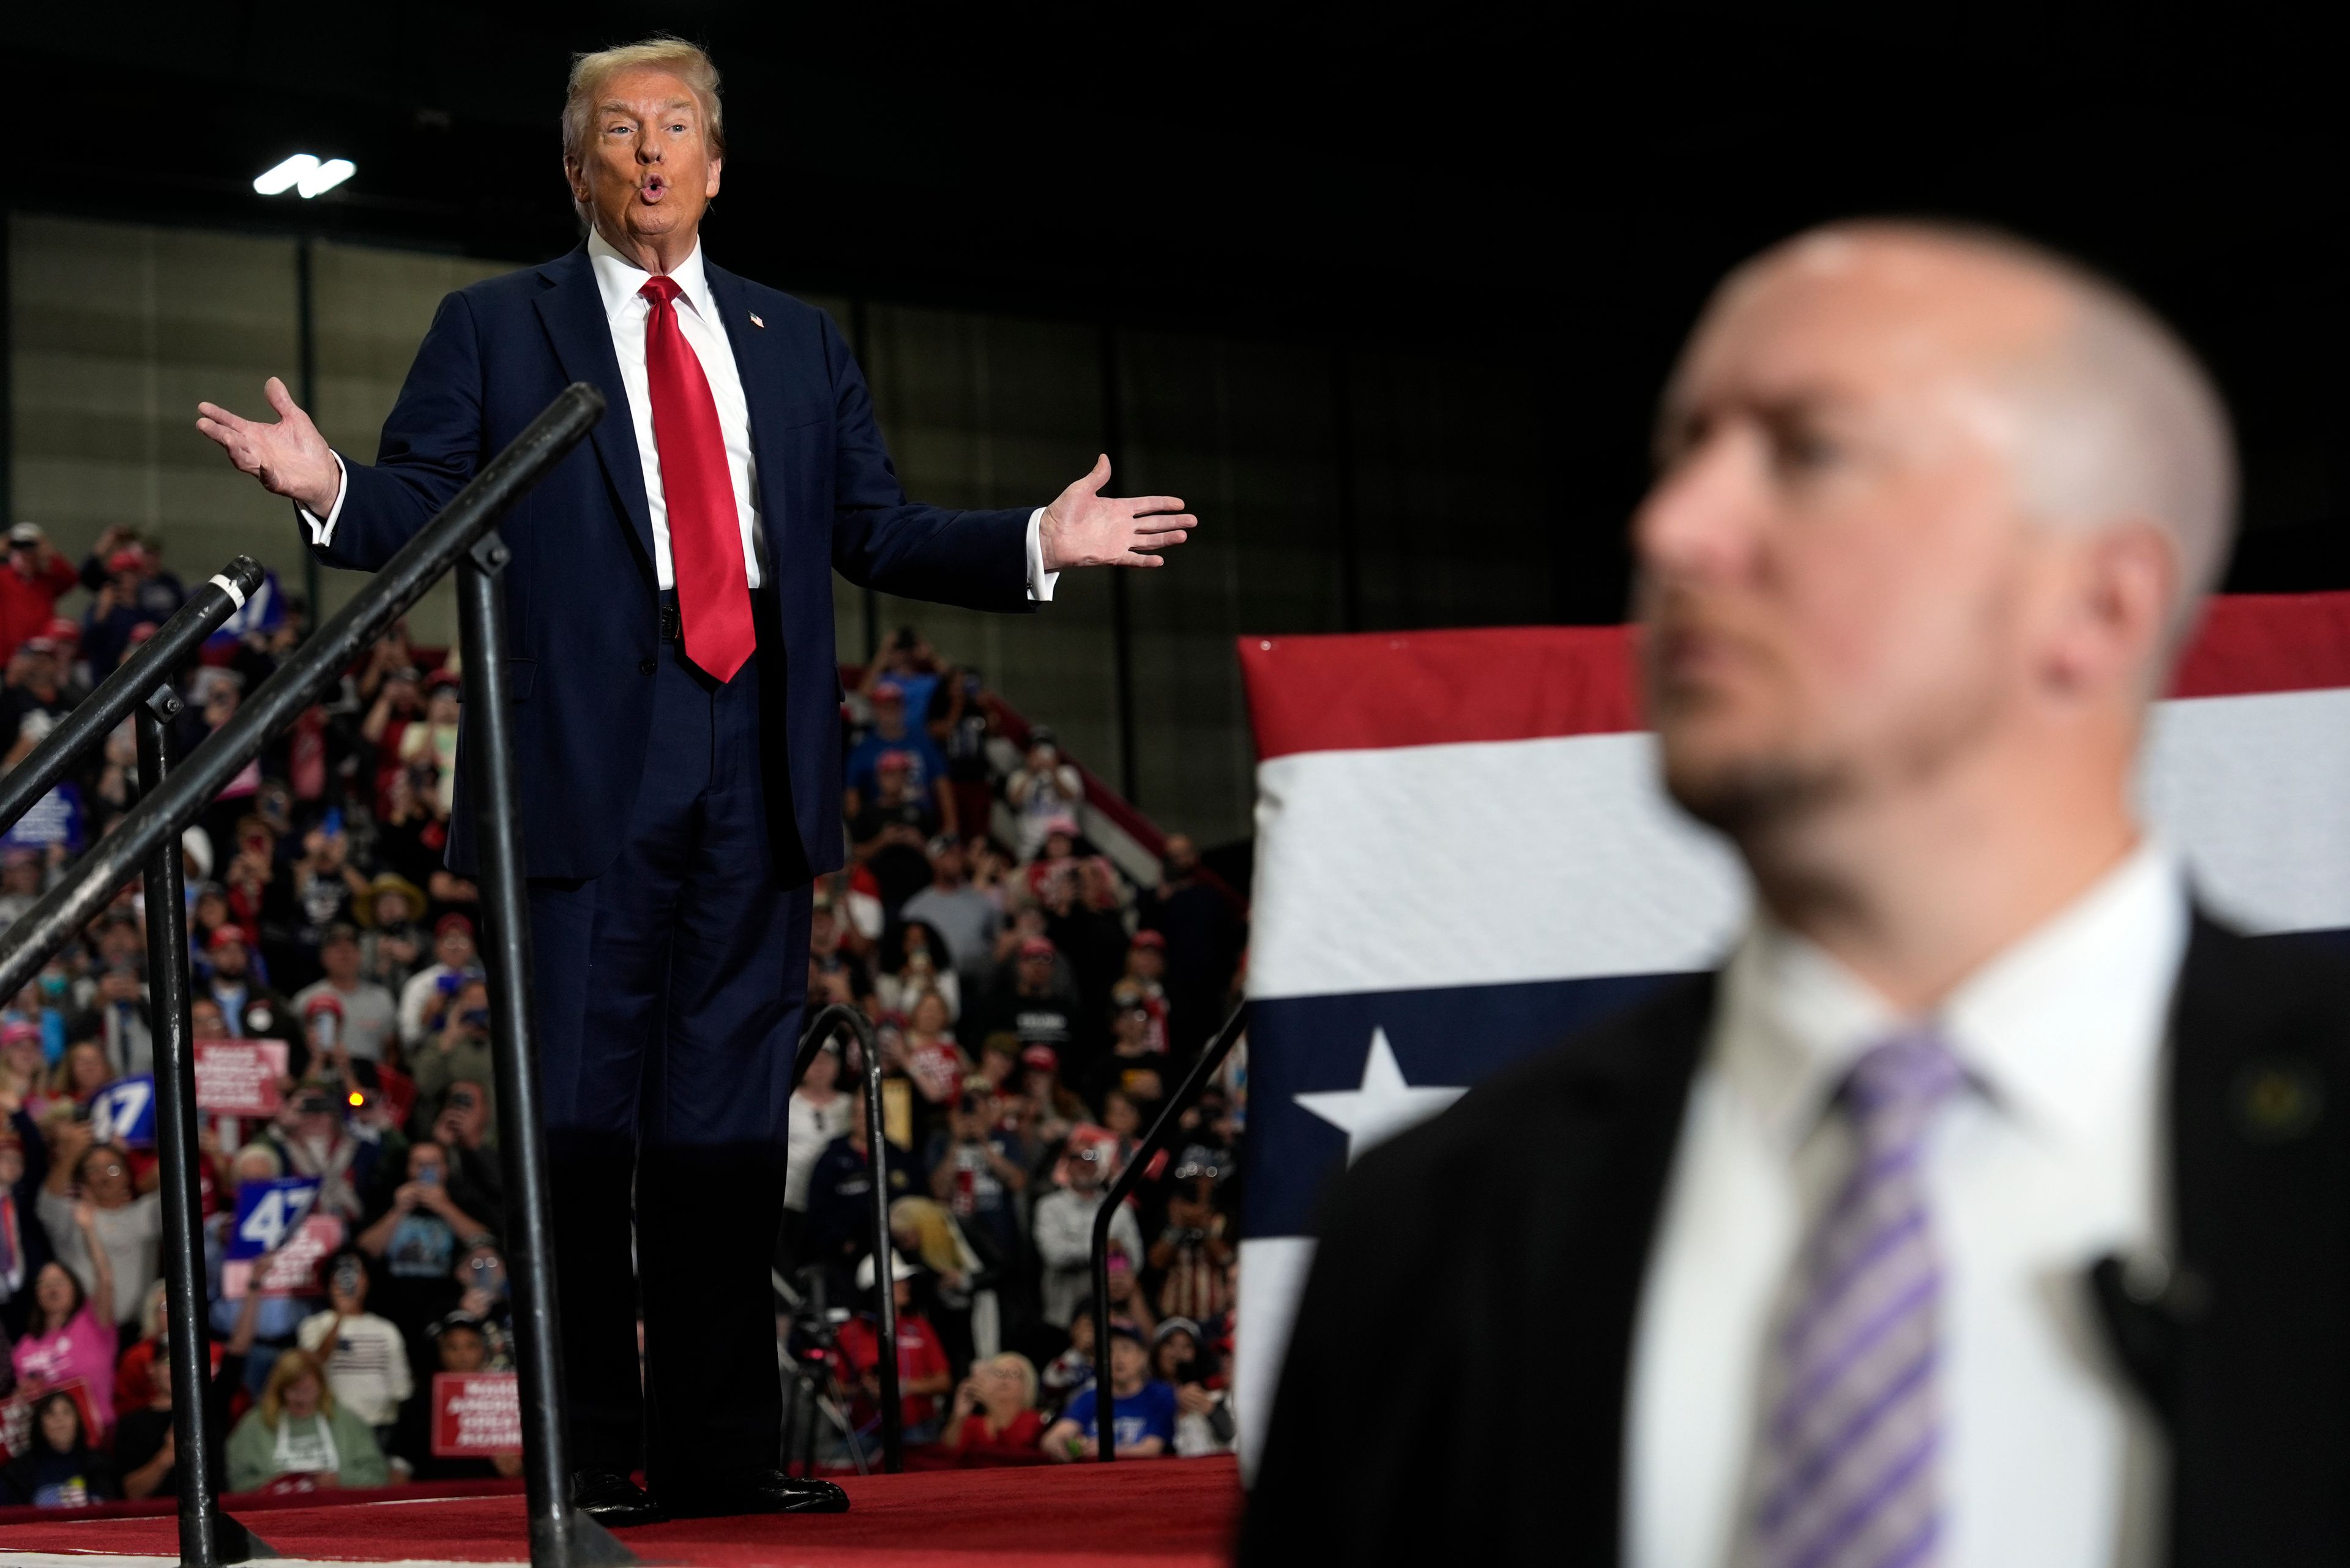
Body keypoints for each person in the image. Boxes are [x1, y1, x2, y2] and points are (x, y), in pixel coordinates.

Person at [196, 32, 1193, 1528]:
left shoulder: (796, 340)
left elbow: (877, 528)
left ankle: (720, 1462)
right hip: (584, 766)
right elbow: (422, 502)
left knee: (725, 1134)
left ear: (716, 165)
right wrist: (326, 487)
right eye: (617, 130)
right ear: (573, 165)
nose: (647, 151)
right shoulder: (497, 325)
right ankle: (591, 1463)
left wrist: (1037, 544)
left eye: (673, 127)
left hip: (759, 760)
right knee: (586, 1137)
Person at [1240, 223, 2318, 1567]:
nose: (1673, 527)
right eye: (1679, 455)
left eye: (1809, 452)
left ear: (2099, 602)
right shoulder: (1434, 1228)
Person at [296, 1250, 414, 1453]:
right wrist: (341, 1316)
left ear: (367, 1281)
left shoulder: (387, 1330)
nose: (348, 1280)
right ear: (330, 1281)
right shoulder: (313, 1325)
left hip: (379, 1426)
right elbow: (312, 1367)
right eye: (342, 1273)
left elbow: (401, 1388)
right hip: (332, 1424)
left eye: (355, 1273)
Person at [832, 1250, 952, 1449]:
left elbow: (945, 1382)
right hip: (867, 1430)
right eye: (897, 1281)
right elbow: (833, 1387)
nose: (906, 1285)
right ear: (876, 1288)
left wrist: (903, 1387)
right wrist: (863, 1389)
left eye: (905, 1280)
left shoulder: (920, 1326)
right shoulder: (850, 1332)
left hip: (919, 1427)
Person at [225, 1346, 390, 1492]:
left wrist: (341, 1480)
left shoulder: (347, 1421)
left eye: (308, 1390)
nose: (302, 1400)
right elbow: (237, 1480)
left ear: (321, 1386)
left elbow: (377, 1474)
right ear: (280, 1389)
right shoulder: (256, 1424)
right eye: (295, 1390)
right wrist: (277, 1485)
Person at [1031, 1143, 1141, 1338]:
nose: (1084, 1164)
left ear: (1101, 1166)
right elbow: (1055, 1256)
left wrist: (1078, 1248)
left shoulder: (1120, 1209)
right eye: (1076, 1158)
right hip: (1062, 1316)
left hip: (1111, 1313)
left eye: (1091, 1158)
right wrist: (1102, 1249)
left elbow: (1136, 1261)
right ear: (1066, 1166)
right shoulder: (1050, 1206)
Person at [1040, 1323, 1173, 1462]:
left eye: (1126, 1349)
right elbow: (1054, 1437)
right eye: (1109, 1349)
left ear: (1143, 1356)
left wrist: (1106, 1450)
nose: (1117, 1357)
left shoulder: (1160, 1395)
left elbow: (1151, 1449)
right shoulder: (1090, 1397)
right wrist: (1062, 1446)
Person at [898, 837, 1002, 991]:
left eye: (958, 854)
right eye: (948, 855)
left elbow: (998, 942)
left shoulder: (982, 903)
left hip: (978, 987)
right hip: (933, 987)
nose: (956, 860)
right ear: (934, 861)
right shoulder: (916, 908)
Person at [291, 925, 398, 1069]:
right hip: (322, 1081)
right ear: (323, 956)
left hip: (370, 1082)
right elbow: (294, 1052)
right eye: (337, 948)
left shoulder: (382, 998)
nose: (345, 954)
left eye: (351, 947)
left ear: (361, 954)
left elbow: (392, 1052)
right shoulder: (305, 1000)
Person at [0, 1389, 119, 1507]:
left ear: (78, 1420)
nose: (59, 1419)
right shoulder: (20, 1470)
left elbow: (114, 1508)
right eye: (51, 1413)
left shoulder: (101, 1463)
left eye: (66, 1412)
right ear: (39, 1423)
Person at [1150, 1317, 1234, 1458]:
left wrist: (1210, 1410)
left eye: (1187, 1346)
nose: (1178, 1352)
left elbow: (1228, 1435)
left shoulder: (1210, 1396)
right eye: (1170, 1344)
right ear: (1157, 1351)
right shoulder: (1141, 1392)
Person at [941, 1351, 1044, 1462]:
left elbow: (1013, 1451)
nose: (1004, 1380)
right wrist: (959, 1414)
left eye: (1014, 1374)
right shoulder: (974, 1423)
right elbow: (948, 1453)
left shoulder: (1033, 1420)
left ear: (1027, 1385)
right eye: (999, 1373)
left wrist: (992, 1404)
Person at [0, 522, 79, 664]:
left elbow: (71, 579)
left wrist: (48, 550)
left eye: (30, 549)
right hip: (8, 659)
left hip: (41, 656)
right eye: (20, 549)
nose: (26, 555)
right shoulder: (4, 578)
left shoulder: (47, 580)